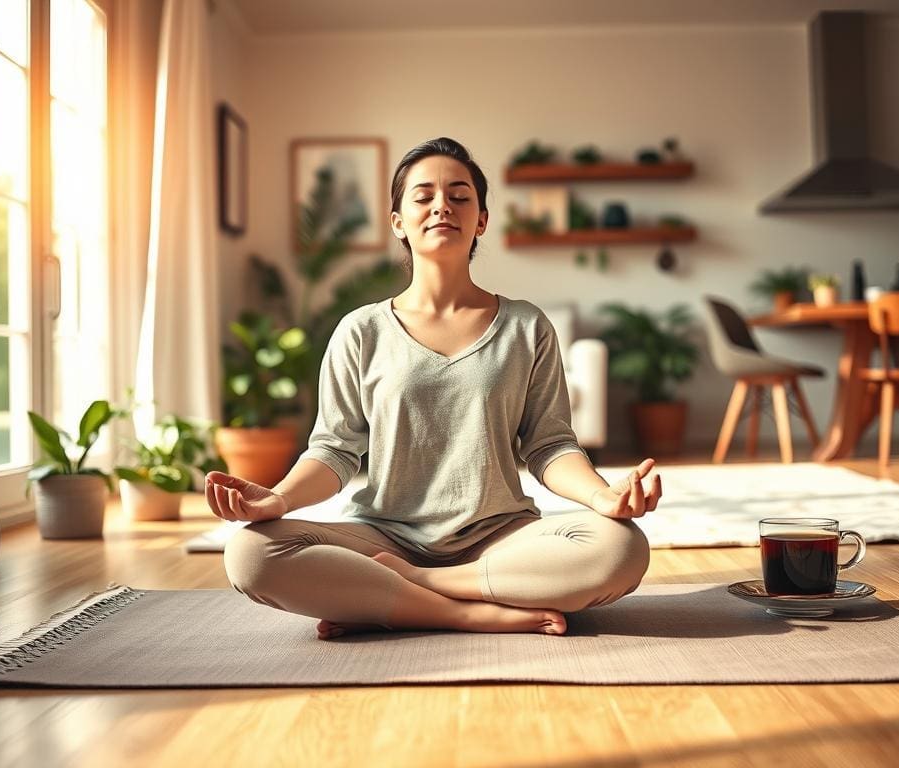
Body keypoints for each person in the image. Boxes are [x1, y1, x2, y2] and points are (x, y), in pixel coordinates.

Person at [207, 137, 660, 640]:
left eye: (460, 195)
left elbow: (549, 446)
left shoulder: (526, 327)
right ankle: (462, 611)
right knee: (249, 554)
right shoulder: (361, 331)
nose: (442, 205)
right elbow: (334, 451)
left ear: (481, 220)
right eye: (423, 196)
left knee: (621, 548)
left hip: (499, 537)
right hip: (382, 536)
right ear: (398, 221)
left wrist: (602, 498)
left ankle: (410, 590)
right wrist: (277, 501)